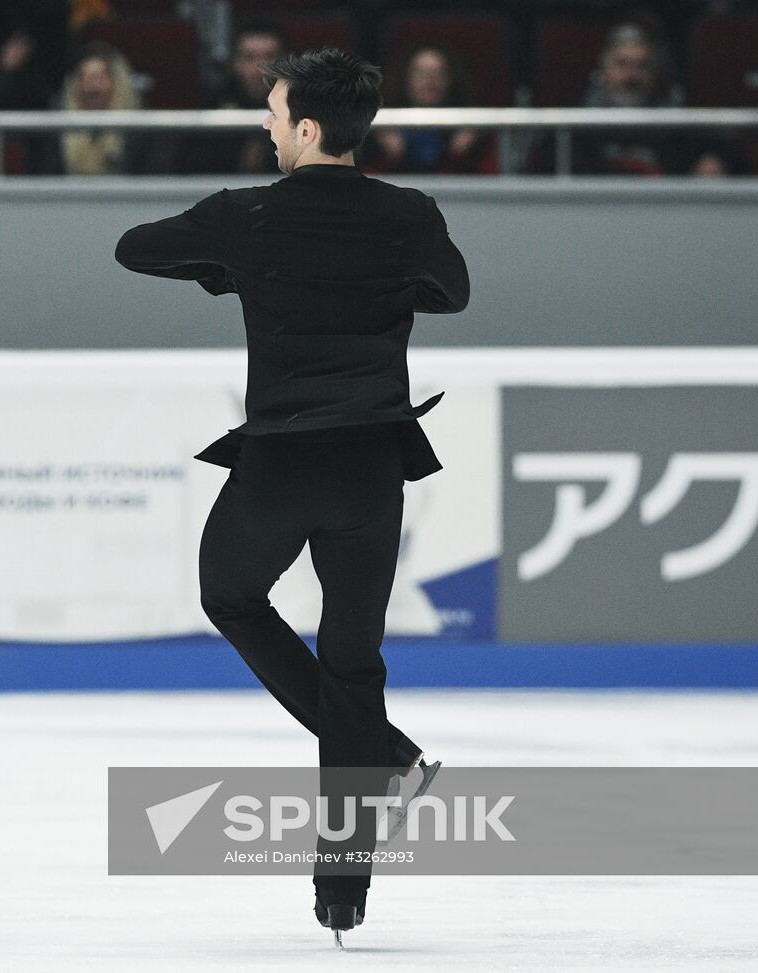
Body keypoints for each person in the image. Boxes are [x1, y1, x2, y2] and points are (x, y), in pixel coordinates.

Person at [115, 48, 467, 944]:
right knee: (354, 660)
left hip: (282, 460)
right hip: (369, 464)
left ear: (307, 129)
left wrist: (231, 265)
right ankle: (343, 888)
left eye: (272, 115)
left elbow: (135, 249)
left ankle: (387, 754)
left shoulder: (247, 215)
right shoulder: (409, 213)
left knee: (229, 591)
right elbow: (452, 292)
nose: (266, 128)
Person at [567, 22, 732, 176]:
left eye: (641, 66)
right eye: (622, 64)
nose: (631, 76)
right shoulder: (577, 120)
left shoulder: (677, 120)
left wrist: (714, 161)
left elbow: (727, 151)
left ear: (655, 72)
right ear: (604, 68)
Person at [360, 44, 496, 175]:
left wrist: (463, 156)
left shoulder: (471, 126)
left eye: (439, 72)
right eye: (420, 72)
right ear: (406, 78)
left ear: (450, 80)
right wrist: (384, 154)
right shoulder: (379, 126)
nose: (430, 79)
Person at [184, 23, 285, 175]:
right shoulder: (213, 106)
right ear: (234, 63)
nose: (260, 69)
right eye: (249, 58)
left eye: (269, 57)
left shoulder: (303, 107)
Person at [44, 42, 152, 176]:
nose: (93, 88)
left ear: (118, 85)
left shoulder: (142, 128)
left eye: (101, 78)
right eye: (85, 78)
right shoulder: (56, 124)